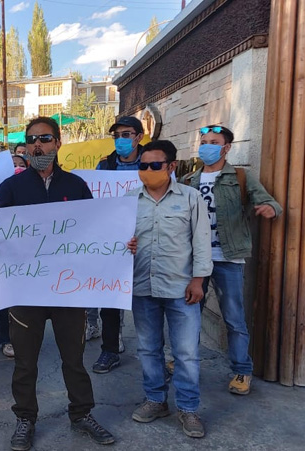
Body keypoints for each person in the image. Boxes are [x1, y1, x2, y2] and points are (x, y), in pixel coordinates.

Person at [0, 117, 115, 449]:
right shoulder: (10, 189)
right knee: (25, 361)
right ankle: (25, 418)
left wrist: (120, 246)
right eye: (31, 140)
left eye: (44, 138)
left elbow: (94, 231)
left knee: (74, 357)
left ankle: (81, 414)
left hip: (69, 289)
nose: (37, 145)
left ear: (58, 142)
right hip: (26, 291)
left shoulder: (76, 186)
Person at [181, 125, 281, 395]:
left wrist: (269, 208)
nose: (207, 146)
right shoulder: (190, 180)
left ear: (226, 148)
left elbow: (271, 202)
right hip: (194, 261)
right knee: (188, 315)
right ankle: (180, 360)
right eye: (203, 141)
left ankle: (241, 370)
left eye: (214, 142)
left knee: (234, 318)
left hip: (228, 258)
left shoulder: (240, 177)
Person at [127, 140, 212, 438]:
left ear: (171, 166)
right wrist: (126, 247)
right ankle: (156, 400)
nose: (147, 171)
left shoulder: (190, 198)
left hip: (181, 289)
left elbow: (202, 242)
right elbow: (114, 243)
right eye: (142, 166)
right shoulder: (128, 201)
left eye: (154, 165)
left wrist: (199, 280)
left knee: (186, 352)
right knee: (148, 349)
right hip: (142, 287)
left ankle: (188, 409)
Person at [88, 116, 146, 374]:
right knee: (110, 298)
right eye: (117, 135)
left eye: (126, 134)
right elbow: (96, 203)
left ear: (139, 137)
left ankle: (154, 353)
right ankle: (109, 350)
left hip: (148, 239)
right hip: (114, 242)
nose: (121, 140)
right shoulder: (105, 165)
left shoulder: (152, 162)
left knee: (149, 301)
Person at [0, 154, 28, 359]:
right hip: (8, 252)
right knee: (6, 298)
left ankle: (26, 336)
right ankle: (6, 339)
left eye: (21, 165)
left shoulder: (33, 189)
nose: (17, 168)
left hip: (32, 253)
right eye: (13, 165)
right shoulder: (4, 188)